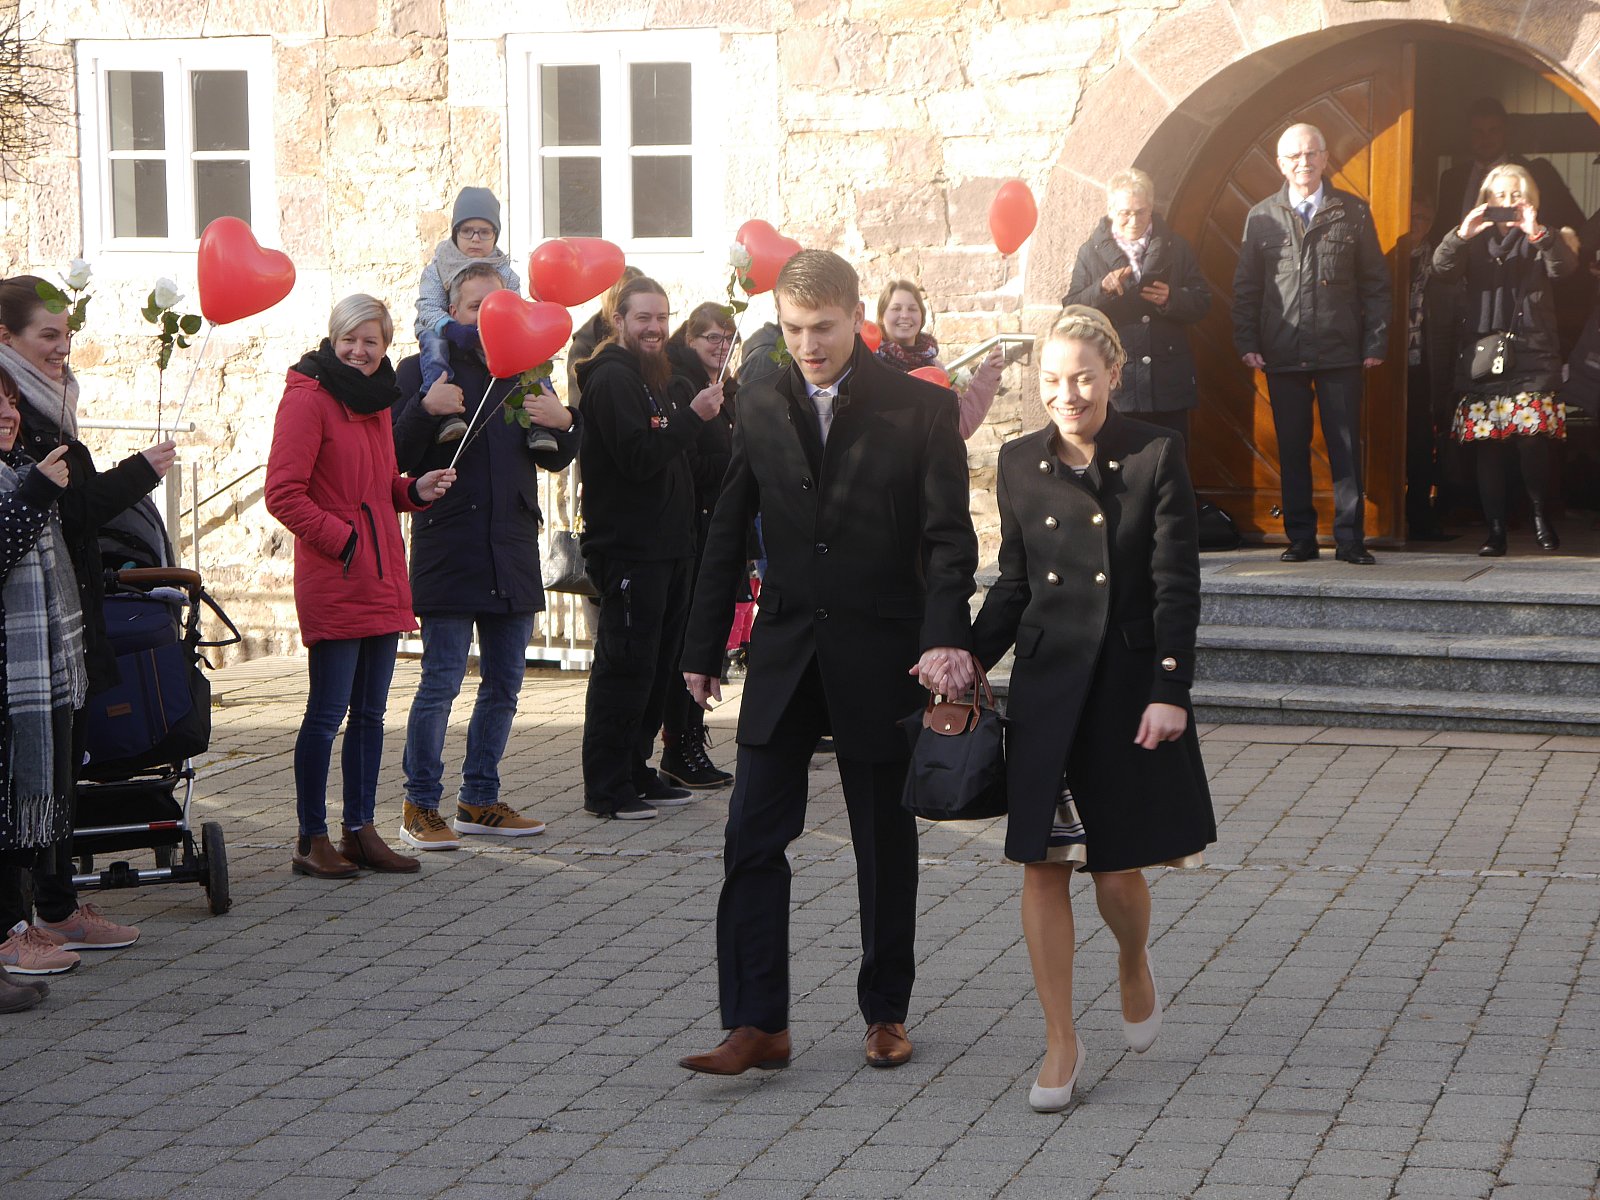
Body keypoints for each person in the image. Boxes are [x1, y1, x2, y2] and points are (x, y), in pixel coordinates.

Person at [676, 250, 979, 1077]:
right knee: (750, 835)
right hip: (785, 653)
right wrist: (703, 647)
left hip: (882, 654)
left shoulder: (920, 409)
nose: (808, 345)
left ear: (856, 319)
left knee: (882, 841)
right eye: (794, 329)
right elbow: (728, 527)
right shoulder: (760, 402)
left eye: (823, 329)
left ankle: (885, 1012)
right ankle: (756, 1024)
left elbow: (949, 541)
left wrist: (945, 637)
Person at [972, 306, 1215, 1112]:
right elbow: (1013, 585)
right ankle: (1060, 1041)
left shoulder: (1155, 454)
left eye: (1082, 377)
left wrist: (1170, 689)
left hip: (1124, 686)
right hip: (1047, 689)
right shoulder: (1018, 461)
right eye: (1051, 379)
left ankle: (1133, 962)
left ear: (1113, 373)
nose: (1066, 394)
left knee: (1115, 868)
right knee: (1042, 865)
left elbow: (1176, 582)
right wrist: (966, 659)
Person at [0, 275, 174, 977]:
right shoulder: (23, 414)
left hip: (61, 625)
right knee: (26, 784)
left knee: (58, 776)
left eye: (67, 336)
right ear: (6, 338)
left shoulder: (44, 404)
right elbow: (63, 510)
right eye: (48, 335)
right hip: (23, 640)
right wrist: (138, 474)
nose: (61, 350)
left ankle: (54, 908)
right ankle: (25, 921)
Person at [391, 265, 582, 849]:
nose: (486, 318)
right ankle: (420, 804)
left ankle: (479, 798)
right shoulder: (422, 369)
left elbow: (554, 456)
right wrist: (425, 407)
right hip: (450, 547)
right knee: (440, 684)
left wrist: (566, 422)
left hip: (512, 548)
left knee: (504, 686)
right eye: (475, 307)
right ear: (452, 312)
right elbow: (395, 455)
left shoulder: (528, 369)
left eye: (496, 306)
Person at [266, 295, 455, 878]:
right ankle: (311, 837)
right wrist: (344, 540)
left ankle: (360, 831)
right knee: (327, 715)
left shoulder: (375, 399)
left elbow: (376, 487)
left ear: (384, 346)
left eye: (370, 341)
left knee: (370, 715)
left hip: (379, 576)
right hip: (337, 576)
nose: (359, 350)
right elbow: (283, 494)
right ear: (333, 338)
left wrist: (413, 490)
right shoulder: (308, 398)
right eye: (349, 338)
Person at [576, 278, 724, 820]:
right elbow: (638, 457)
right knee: (625, 668)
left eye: (662, 317)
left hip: (669, 548)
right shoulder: (612, 378)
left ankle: (635, 770)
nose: (655, 328)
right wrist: (694, 417)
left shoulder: (651, 375)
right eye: (644, 318)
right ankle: (607, 787)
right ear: (618, 320)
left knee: (658, 668)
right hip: (630, 551)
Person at [1232, 122, 1390, 565]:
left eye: (1311, 153)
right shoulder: (1260, 217)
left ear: (1325, 158)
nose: (1304, 162)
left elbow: (1376, 284)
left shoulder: (1353, 212)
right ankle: (1300, 538)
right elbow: (1246, 287)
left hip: (1341, 350)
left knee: (1345, 448)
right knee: (1291, 449)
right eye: (1294, 156)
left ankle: (1350, 539)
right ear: (1280, 164)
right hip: (1283, 350)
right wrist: (1246, 340)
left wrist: (1376, 340)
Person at [1431, 163, 1575, 556]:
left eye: (1515, 195)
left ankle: (1540, 515)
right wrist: (1461, 234)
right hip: (1484, 358)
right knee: (1488, 446)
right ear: (1485, 200)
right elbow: (1441, 269)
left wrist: (1537, 232)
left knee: (1532, 441)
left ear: (1529, 199)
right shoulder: (1472, 240)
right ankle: (1495, 531)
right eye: (1499, 195)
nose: (1507, 202)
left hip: (1532, 356)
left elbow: (1564, 269)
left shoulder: (1542, 236)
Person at [0, 366, 77, 1010]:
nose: (7, 412)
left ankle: (11, 930)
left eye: (10, 400)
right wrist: (33, 494)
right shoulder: (19, 481)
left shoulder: (18, 469)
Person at [656, 302, 739, 791]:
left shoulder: (727, 391)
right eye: (710, 337)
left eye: (726, 338)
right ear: (689, 340)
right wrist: (737, 468)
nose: (719, 346)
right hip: (695, 528)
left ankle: (690, 741)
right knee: (689, 645)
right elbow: (685, 464)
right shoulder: (685, 387)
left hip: (718, 529)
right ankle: (679, 746)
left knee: (706, 641)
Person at [1064, 168, 1210, 445]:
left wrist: (1172, 299)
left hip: (1167, 383)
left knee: (1171, 459)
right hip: (1119, 384)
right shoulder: (1090, 252)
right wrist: (1101, 289)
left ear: (1151, 207)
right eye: (1125, 213)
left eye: (1141, 212)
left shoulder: (1176, 247)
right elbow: (1071, 309)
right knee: (1121, 461)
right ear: (1110, 210)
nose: (1133, 220)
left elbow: (1202, 302)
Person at [414, 187, 536, 447]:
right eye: (467, 231)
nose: (476, 239)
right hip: (440, 327)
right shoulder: (439, 266)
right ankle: (445, 411)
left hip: (491, 333)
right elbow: (427, 306)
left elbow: (513, 307)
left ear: (495, 235)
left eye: (485, 231)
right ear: (455, 233)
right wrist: (451, 328)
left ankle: (539, 419)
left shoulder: (505, 271)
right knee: (435, 348)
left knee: (532, 356)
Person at [874, 280, 1004, 439]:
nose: (905, 315)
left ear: (921, 317)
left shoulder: (935, 368)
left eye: (912, 309)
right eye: (896, 308)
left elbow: (960, 425)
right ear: (881, 316)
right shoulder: (869, 364)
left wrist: (988, 373)